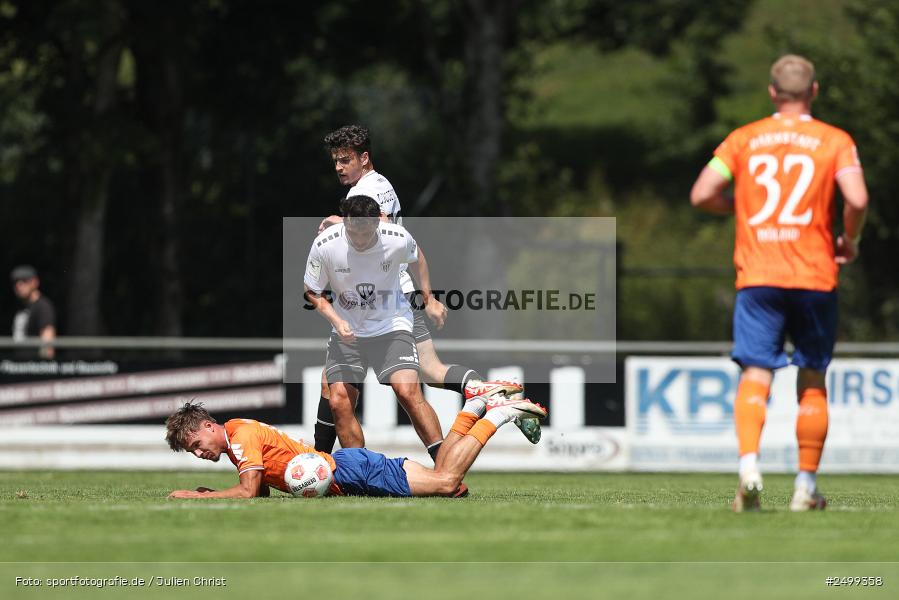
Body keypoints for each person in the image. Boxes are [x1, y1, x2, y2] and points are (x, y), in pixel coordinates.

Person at [690, 54, 869, 512]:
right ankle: (805, 487)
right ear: (815, 91)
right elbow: (857, 198)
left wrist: (740, 206)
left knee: (755, 373)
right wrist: (850, 239)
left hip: (759, 276)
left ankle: (749, 470)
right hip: (814, 275)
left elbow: (702, 193)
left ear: (772, 92)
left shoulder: (743, 139)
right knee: (812, 377)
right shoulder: (835, 140)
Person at [311, 125, 531, 460]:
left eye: (345, 160)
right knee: (429, 371)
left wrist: (337, 221)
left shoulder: (370, 188)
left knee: (404, 384)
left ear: (364, 158)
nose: (338, 167)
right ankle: (497, 396)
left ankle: (321, 461)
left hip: (389, 297)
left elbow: (382, 224)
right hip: (395, 291)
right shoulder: (376, 183)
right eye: (335, 161)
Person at [165, 395, 546, 499]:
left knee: (446, 482)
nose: (199, 454)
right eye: (191, 452)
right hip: (349, 465)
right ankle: (475, 407)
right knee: (447, 482)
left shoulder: (241, 437)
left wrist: (199, 498)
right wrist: (220, 492)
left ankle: (501, 413)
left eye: (196, 444)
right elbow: (261, 489)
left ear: (208, 426)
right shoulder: (237, 435)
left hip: (349, 473)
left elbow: (249, 491)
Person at [10, 265, 56, 359]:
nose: (18, 285)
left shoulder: (43, 306)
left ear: (35, 282)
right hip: (18, 363)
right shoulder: (21, 307)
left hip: (33, 364)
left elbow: (47, 342)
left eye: (24, 280)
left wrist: (42, 364)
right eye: (15, 282)